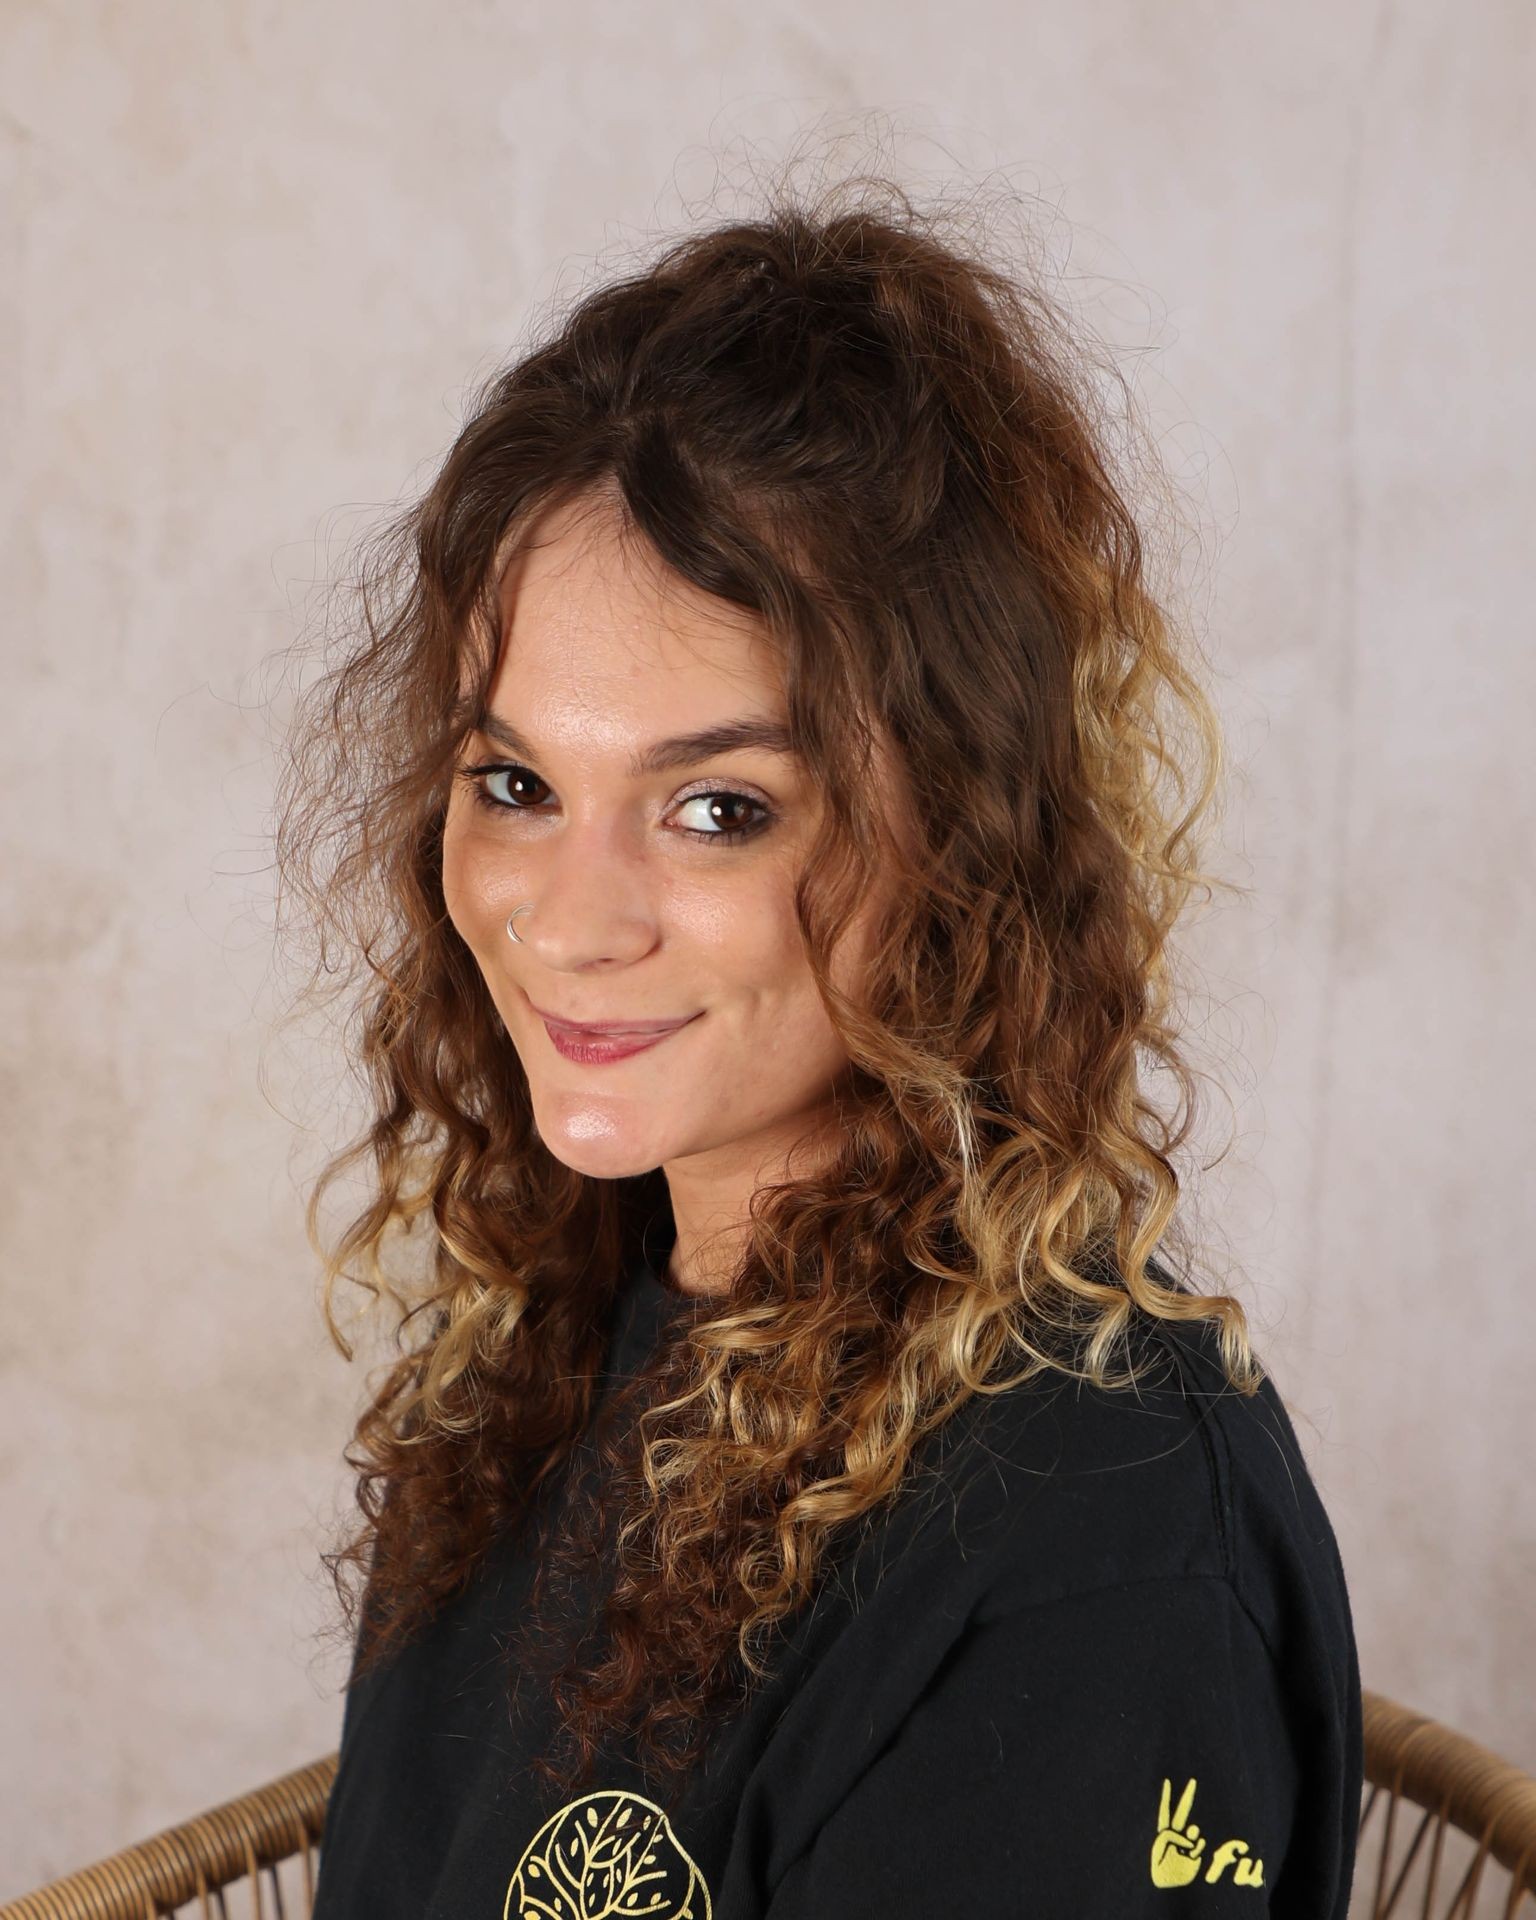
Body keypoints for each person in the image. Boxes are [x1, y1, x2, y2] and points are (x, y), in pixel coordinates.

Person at [275, 178, 1362, 1918]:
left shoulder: (1094, 1549)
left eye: (719, 808)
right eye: (516, 783)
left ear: (961, 833)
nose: (570, 918)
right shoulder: (565, 1336)